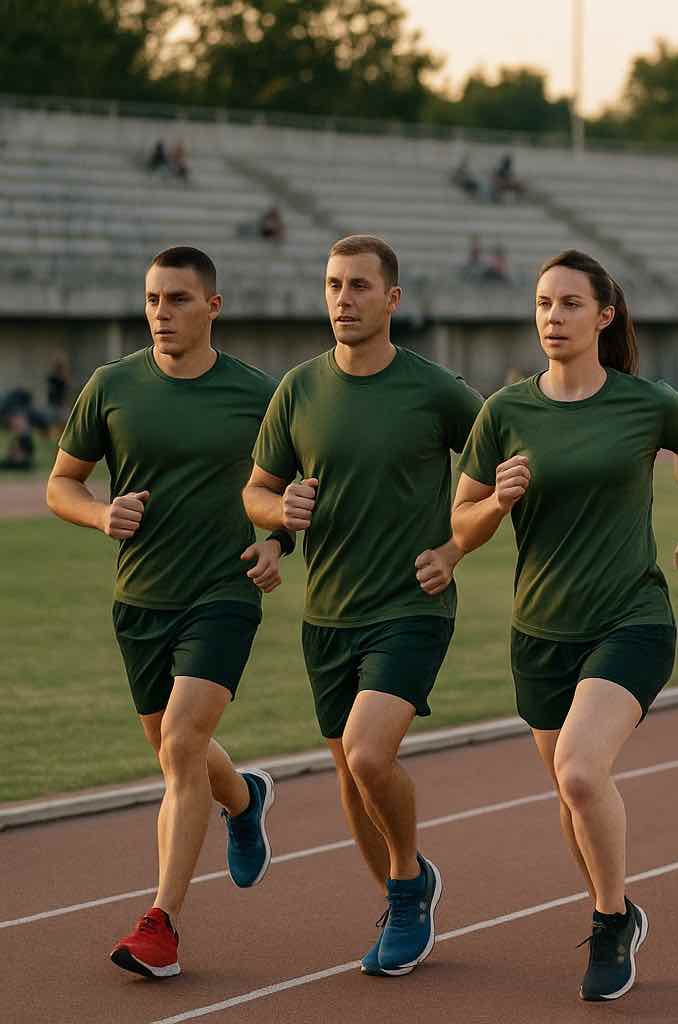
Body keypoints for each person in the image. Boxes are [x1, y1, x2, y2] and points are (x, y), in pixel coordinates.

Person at [452, 249, 678, 1000]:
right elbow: (461, 526)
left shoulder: (647, 402)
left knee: (579, 772)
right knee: (573, 796)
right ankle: (619, 908)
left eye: (570, 304)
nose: (553, 317)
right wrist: (497, 501)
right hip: (541, 633)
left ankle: (609, 922)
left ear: (604, 317)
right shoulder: (504, 413)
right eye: (544, 303)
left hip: (630, 618)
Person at [45, 246, 288, 979]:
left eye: (178, 299)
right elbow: (62, 484)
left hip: (223, 595)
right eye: (153, 299)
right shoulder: (112, 386)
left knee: (181, 745)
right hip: (140, 601)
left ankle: (161, 925)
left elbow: (299, 488)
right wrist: (100, 515)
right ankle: (243, 800)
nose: (161, 313)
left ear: (212, 307)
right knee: (172, 747)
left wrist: (278, 541)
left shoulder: (259, 395)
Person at [244, 235, 482, 975]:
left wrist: (454, 548)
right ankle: (401, 894)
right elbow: (257, 491)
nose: (343, 299)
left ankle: (408, 885)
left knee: (370, 753)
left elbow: (497, 470)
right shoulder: (298, 390)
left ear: (392, 299)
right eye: (333, 285)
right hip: (327, 615)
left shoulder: (436, 389)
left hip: (412, 604)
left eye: (358, 286)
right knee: (350, 774)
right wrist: (279, 518)